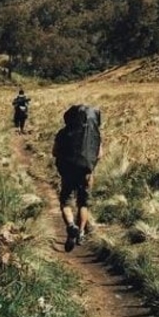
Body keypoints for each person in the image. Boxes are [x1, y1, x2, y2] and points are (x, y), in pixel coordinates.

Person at [52, 105, 101, 252]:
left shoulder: (63, 133)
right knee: (83, 204)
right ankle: (80, 233)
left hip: (68, 171)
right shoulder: (95, 135)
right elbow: (99, 155)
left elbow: (54, 152)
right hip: (86, 173)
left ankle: (71, 226)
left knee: (65, 202)